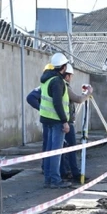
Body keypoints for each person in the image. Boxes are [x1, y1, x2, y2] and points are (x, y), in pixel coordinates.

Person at [39, 52, 71, 189]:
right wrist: (64, 121)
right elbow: (58, 103)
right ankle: (55, 180)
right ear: (63, 67)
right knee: (56, 152)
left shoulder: (46, 79)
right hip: (56, 121)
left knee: (49, 151)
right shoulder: (57, 81)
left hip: (46, 119)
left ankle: (48, 179)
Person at [60, 63, 93, 184]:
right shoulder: (65, 86)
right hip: (66, 122)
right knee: (72, 148)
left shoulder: (57, 84)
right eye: (71, 75)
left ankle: (65, 172)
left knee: (63, 149)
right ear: (67, 76)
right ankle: (75, 173)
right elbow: (79, 99)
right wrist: (87, 93)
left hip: (61, 121)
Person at [27, 63, 54, 174]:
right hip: (51, 120)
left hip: (48, 118)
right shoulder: (46, 86)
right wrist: (42, 109)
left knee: (48, 143)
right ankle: (47, 169)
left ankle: (46, 168)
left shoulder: (45, 86)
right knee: (49, 144)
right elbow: (30, 97)